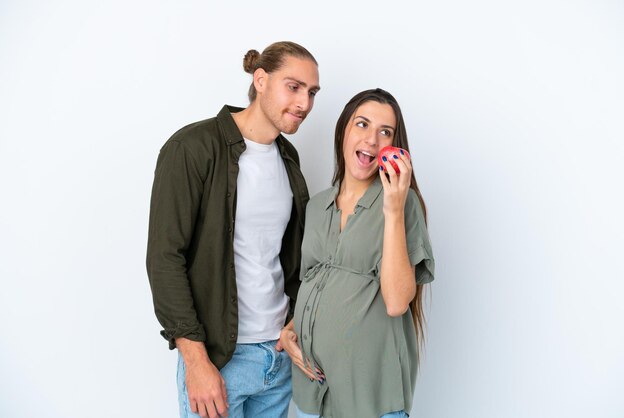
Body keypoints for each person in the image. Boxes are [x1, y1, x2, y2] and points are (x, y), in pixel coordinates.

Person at [146, 41, 320, 418]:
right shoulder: (192, 148)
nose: (304, 103)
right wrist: (195, 362)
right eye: (294, 87)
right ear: (260, 80)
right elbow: (164, 259)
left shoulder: (289, 159)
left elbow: (288, 257)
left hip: (277, 356)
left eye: (312, 92)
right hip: (221, 359)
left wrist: (294, 322)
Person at [278, 88, 435, 418]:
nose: (372, 139)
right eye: (362, 124)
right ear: (343, 131)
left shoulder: (403, 205)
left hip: (370, 398)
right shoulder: (317, 205)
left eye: (385, 132)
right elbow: (315, 284)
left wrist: (393, 209)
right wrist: (292, 328)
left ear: (395, 146)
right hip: (312, 393)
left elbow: (396, 301)